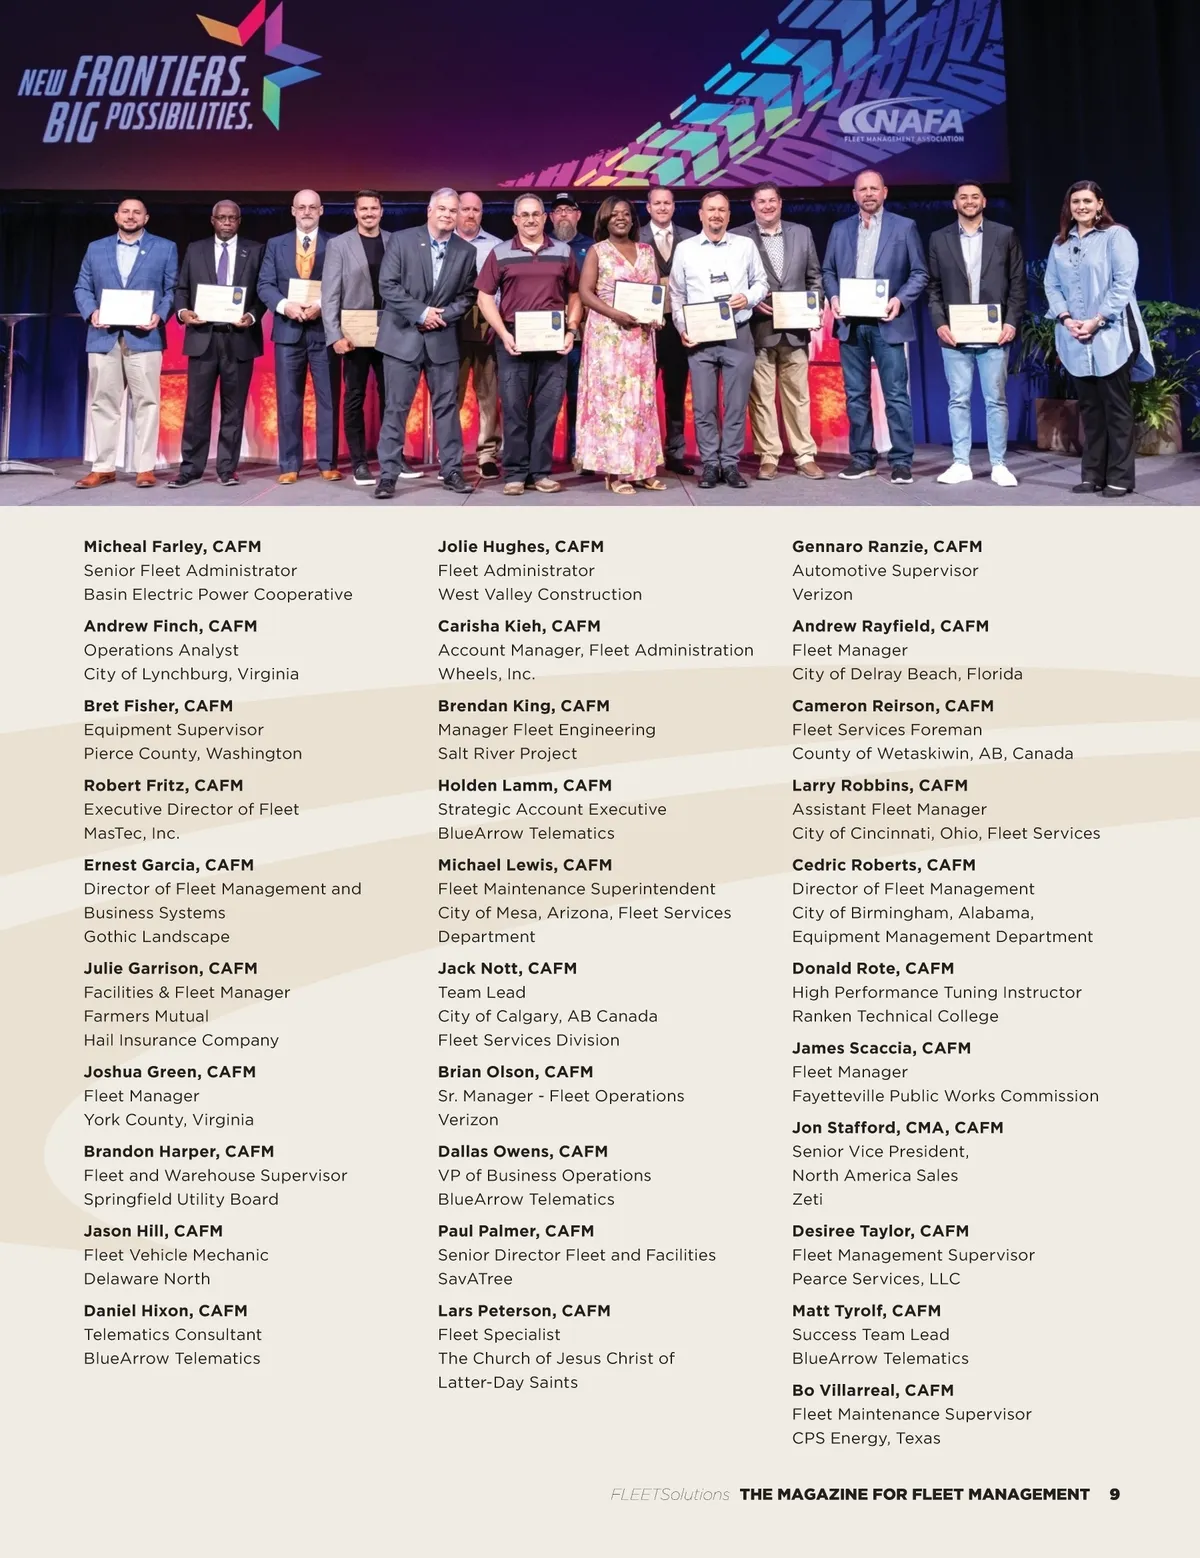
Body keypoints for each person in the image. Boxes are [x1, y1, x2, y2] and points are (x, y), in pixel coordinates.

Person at [1043, 181, 1154, 499]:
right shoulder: (1059, 244)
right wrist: (1066, 319)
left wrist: (1097, 320)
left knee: (1116, 409)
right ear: (1069, 207)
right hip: (1075, 337)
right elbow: (1052, 286)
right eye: (1075, 201)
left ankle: (1120, 477)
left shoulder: (1117, 236)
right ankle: (1092, 475)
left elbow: (1123, 284)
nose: (1081, 206)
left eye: (1087, 201)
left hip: (1111, 335)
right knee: (1090, 410)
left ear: (1100, 204)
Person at [822, 169, 928, 484]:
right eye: (862, 189)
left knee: (895, 395)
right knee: (855, 396)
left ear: (885, 192)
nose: (868, 194)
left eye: (874, 188)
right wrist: (834, 297)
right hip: (851, 325)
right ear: (854, 195)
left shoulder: (904, 227)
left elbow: (919, 273)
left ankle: (901, 461)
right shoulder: (840, 229)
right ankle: (862, 459)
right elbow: (828, 271)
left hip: (888, 324)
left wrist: (900, 300)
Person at [373, 188, 478, 498]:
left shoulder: (466, 251)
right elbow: (387, 286)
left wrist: (443, 315)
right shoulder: (402, 240)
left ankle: (452, 470)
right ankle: (388, 475)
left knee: (447, 408)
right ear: (429, 211)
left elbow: (468, 295)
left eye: (453, 210)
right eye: (442, 209)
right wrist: (421, 313)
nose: (447, 215)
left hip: (442, 339)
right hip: (401, 339)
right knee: (396, 409)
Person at [475, 195, 582, 495]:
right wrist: (502, 333)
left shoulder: (563, 251)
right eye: (525, 215)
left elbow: (575, 293)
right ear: (515, 219)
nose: (531, 219)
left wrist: (571, 330)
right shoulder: (500, 253)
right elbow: (484, 297)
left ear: (545, 218)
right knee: (514, 409)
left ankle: (540, 473)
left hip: (553, 340)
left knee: (548, 409)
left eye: (536, 214)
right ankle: (515, 473)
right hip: (513, 340)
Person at [71, 197, 177, 489]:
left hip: (145, 337)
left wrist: (159, 315)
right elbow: (82, 287)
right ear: (116, 216)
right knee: (103, 403)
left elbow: (172, 289)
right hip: (103, 337)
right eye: (125, 212)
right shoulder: (96, 248)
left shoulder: (165, 247)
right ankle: (103, 467)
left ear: (146, 218)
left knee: (148, 403)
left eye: (137, 212)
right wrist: (92, 312)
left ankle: (145, 468)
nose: (131, 216)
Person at [927, 182, 1025, 488]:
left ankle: (999, 464)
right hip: (954, 335)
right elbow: (933, 287)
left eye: (974, 197)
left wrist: (1011, 322)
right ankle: (961, 463)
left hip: (994, 333)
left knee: (996, 400)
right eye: (963, 197)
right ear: (954, 203)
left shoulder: (1005, 234)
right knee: (958, 399)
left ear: (984, 202)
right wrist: (939, 323)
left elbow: (1017, 284)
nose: (969, 201)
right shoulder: (939, 238)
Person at [668, 189, 767, 489]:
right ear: (701, 214)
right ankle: (710, 464)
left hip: (738, 333)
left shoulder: (745, 245)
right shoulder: (685, 249)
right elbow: (677, 293)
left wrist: (747, 297)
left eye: (722, 210)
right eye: (711, 209)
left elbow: (761, 283)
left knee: (735, 405)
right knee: (704, 406)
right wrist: (682, 327)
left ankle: (730, 464)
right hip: (701, 337)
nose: (716, 215)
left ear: (729, 215)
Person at [732, 182, 825, 480]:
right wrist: (751, 301)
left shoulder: (802, 233)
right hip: (757, 328)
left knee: (798, 395)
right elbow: (734, 283)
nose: (767, 206)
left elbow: (814, 277)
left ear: (781, 202)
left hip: (795, 330)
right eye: (761, 201)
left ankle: (804, 455)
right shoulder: (738, 237)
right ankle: (768, 456)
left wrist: (814, 307)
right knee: (761, 397)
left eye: (772, 200)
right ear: (753, 205)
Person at [168, 201, 262, 489]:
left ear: (239, 221)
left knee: (234, 410)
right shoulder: (195, 250)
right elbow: (181, 289)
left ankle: (227, 469)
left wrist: (251, 316)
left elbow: (262, 293)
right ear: (212, 220)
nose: (227, 222)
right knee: (196, 409)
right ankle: (191, 469)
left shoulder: (255, 250)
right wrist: (183, 313)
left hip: (239, 339)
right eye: (222, 218)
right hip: (202, 338)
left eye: (232, 218)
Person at [575, 197, 664, 494]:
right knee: (613, 405)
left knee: (641, 403)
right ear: (604, 219)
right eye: (614, 214)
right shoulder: (598, 251)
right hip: (609, 338)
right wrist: (615, 314)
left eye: (626, 214)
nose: (621, 218)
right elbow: (585, 292)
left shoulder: (646, 251)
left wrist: (656, 316)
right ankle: (615, 472)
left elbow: (654, 293)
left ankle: (642, 468)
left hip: (640, 339)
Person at [257, 189, 341, 484]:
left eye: (312, 207)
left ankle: (327, 463)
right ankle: (289, 465)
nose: (307, 212)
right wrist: (285, 306)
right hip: (288, 331)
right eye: (301, 207)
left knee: (328, 399)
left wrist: (321, 305)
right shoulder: (275, 244)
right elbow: (265, 285)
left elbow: (341, 283)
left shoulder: (336, 244)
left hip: (323, 331)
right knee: (288, 400)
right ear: (293, 211)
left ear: (321, 211)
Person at [324, 190, 394, 486]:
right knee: (355, 397)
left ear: (381, 211)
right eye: (363, 209)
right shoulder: (339, 244)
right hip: (354, 336)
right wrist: (334, 335)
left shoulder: (394, 241)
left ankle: (393, 458)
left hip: (390, 332)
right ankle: (359, 462)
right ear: (355, 212)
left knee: (393, 398)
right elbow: (330, 294)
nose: (369, 213)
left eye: (373, 208)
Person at [639, 186, 696, 475]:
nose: (662, 207)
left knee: (676, 394)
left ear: (674, 207)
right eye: (657, 203)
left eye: (667, 203)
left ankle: (675, 453)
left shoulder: (691, 238)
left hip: (678, 327)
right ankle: (641, 454)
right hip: (643, 328)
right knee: (641, 394)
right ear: (648, 207)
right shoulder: (634, 238)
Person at [455, 192, 503, 479]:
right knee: (452, 395)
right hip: (451, 328)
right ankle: (451, 454)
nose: (470, 214)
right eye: (465, 209)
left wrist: (497, 325)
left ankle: (487, 454)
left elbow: (502, 290)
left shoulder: (496, 246)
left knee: (488, 394)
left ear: (482, 213)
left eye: (476, 210)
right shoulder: (443, 242)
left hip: (486, 328)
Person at [548, 193, 594, 465]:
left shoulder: (593, 247)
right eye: (558, 210)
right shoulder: (541, 246)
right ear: (551, 217)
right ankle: (542, 458)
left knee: (579, 397)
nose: (563, 214)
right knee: (546, 399)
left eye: (569, 209)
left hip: (582, 336)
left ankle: (579, 454)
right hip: (545, 334)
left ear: (578, 215)